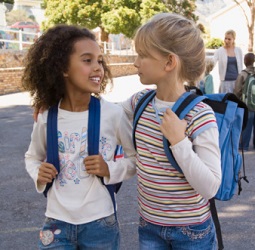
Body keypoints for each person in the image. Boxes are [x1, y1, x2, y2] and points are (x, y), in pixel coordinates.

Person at [22, 24, 136, 249]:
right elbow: (32, 157)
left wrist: (109, 169)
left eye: (99, 61)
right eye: (87, 60)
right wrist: (38, 172)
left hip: (101, 223)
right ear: (63, 68)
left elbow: (135, 159)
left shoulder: (112, 114)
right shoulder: (47, 117)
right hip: (56, 222)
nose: (98, 68)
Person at [121, 13, 221, 250]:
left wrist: (178, 141)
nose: (136, 62)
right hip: (149, 226)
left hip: (192, 232)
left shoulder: (200, 114)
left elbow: (210, 187)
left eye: (143, 55)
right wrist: (52, 103)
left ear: (169, 62)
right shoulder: (139, 102)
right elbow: (105, 113)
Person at [234, 52, 255, 150]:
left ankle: (244, 146)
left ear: (245, 61)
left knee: (247, 126)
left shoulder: (243, 74)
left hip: (247, 105)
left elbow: (237, 90)